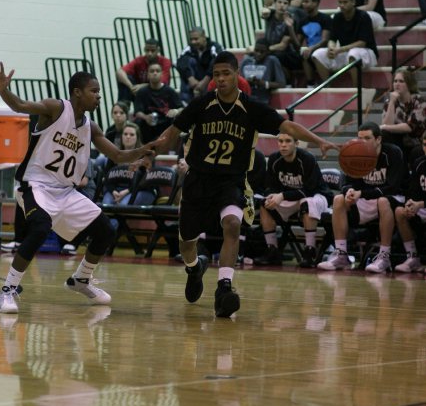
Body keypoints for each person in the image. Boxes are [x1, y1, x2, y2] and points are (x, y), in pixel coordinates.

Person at [152, 51, 338, 318]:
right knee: (186, 244)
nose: (221, 79)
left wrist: (319, 141)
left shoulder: (251, 108)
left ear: (237, 74)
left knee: (232, 224)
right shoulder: (201, 104)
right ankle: (194, 268)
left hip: (231, 180)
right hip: (198, 180)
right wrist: (151, 150)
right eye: (216, 75)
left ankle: (224, 287)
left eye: (226, 73)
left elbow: (287, 126)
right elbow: (171, 133)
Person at [0, 63, 153, 314]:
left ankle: (81, 279)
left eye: (99, 91)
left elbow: (119, 155)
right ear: (77, 92)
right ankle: (7, 291)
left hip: (65, 192)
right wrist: (3, 91)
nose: (99, 95)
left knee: (106, 231)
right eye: (94, 91)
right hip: (36, 185)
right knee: (40, 227)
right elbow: (20, 106)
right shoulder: (56, 109)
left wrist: (143, 150)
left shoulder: (92, 127)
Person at [317, 122, 405, 274]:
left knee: (383, 201)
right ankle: (341, 254)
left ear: (378, 139)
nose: (362, 142)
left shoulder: (392, 153)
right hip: (366, 199)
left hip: (392, 198)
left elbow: (393, 186)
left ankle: (384, 256)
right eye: (360, 138)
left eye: (367, 138)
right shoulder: (354, 152)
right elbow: (344, 183)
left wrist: (361, 194)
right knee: (339, 199)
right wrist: (350, 191)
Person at [253, 131, 331, 268]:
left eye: (288, 141)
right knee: (265, 202)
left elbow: (309, 190)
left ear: (296, 143)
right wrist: (271, 195)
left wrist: (282, 196)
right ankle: (272, 250)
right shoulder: (274, 159)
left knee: (307, 203)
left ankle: (309, 250)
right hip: (291, 198)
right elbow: (270, 186)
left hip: (316, 196)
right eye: (280, 141)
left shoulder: (307, 159)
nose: (283, 145)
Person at [312, 0, 378, 87]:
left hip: (366, 52)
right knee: (317, 54)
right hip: (345, 51)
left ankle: (357, 90)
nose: (342, 5)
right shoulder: (337, 17)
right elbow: (332, 39)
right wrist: (331, 48)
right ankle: (328, 87)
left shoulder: (363, 16)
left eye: (345, 2)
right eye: (340, 2)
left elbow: (362, 43)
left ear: (353, 2)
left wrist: (339, 49)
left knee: (353, 53)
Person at [393, 130, 426, 272]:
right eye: (425, 144)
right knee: (400, 211)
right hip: (422, 206)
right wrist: (409, 203)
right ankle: (412, 257)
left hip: (423, 205)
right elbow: (412, 190)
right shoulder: (419, 163)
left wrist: (420, 204)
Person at [380, 67, 426, 167]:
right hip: (398, 141)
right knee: (384, 135)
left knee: (415, 152)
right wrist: (392, 103)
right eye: (395, 81)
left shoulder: (419, 101)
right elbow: (386, 126)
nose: (397, 84)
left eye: (401, 81)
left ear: (409, 84)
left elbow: (410, 126)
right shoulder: (390, 102)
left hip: (416, 142)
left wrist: (386, 127)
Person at [133, 62, 183, 143]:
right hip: (148, 125)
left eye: (157, 71)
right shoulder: (142, 92)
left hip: (166, 123)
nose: (155, 73)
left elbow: (181, 108)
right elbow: (137, 112)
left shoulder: (169, 91)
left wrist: (175, 111)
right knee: (138, 122)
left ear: (162, 74)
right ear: (148, 75)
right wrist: (146, 117)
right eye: (152, 71)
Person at [259, 0, 302, 81]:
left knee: (275, 56)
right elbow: (264, 12)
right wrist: (264, 11)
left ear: (289, 6)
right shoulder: (270, 14)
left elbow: (282, 46)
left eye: (285, 3)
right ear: (274, 4)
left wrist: (265, 50)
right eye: (279, 2)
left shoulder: (290, 19)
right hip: (270, 49)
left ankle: (288, 82)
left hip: (287, 53)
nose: (282, 5)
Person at [115, 38, 172, 104]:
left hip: (158, 93)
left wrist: (143, 86)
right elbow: (120, 72)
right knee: (126, 79)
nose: (149, 53)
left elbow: (162, 82)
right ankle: (122, 108)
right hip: (139, 92)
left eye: (153, 50)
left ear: (158, 50)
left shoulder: (165, 62)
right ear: (144, 49)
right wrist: (131, 87)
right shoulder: (139, 60)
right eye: (147, 50)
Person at [176, 27, 223, 103]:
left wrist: (205, 81)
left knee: (217, 63)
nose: (193, 42)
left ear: (204, 37)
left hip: (211, 79)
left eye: (196, 39)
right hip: (195, 80)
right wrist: (190, 78)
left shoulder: (214, 47)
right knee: (186, 61)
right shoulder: (189, 48)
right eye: (191, 39)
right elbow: (180, 62)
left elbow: (219, 61)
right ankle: (185, 102)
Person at [296, 0, 332, 87]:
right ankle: (310, 84)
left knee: (311, 53)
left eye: (306, 2)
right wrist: (290, 28)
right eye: (303, 2)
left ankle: (327, 85)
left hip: (324, 49)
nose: (303, 4)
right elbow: (297, 42)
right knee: (302, 53)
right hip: (309, 51)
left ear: (315, 3)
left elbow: (325, 40)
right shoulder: (302, 21)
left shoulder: (325, 18)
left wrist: (311, 48)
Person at [94, 100, 129, 171]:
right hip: (112, 158)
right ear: (112, 115)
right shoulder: (110, 130)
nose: (118, 115)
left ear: (126, 115)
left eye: (121, 113)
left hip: (129, 156)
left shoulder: (131, 129)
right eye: (115, 113)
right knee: (99, 159)